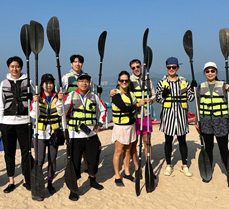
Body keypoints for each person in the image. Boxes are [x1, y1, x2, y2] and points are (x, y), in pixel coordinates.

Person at [62, 72, 107, 201]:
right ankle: (73, 188)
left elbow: (103, 109)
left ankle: (92, 179)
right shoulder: (70, 96)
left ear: (89, 83)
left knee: (93, 159)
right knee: (74, 162)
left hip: (91, 134)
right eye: (81, 81)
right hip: (75, 135)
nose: (84, 83)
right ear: (77, 83)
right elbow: (62, 111)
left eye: (86, 81)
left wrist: (100, 123)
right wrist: (60, 101)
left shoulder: (94, 96)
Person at [0, 56, 35, 194]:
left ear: (21, 67)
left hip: (24, 122)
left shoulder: (28, 81)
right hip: (7, 123)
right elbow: (1, 103)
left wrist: (33, 118)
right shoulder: (4, 83)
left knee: (26, 153)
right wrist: (0, 122)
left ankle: (26, 179)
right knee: (9, 153)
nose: (15, 69)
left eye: (17, 66)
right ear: (9, 68)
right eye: (12, 66)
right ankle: (11, 181)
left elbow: (34, 102)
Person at [156, 56, 194, 178]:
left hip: (181, 115)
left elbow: (191, 98)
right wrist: (163, 95)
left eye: (174, 67)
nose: (171, 69)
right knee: (168, 140)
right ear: (166, 68)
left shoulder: (184, 82)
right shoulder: (162, 83)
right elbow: (158, 99)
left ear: (177, 67)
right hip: (168, 115)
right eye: (169, 67)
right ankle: (168, 165)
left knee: (182, 140)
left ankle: (184, 165)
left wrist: (193, 88)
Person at [30, 73, 65, 198]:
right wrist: (36, 103)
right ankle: (38, 181)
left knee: (52, 159)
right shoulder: (38, 98)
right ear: (42, 85)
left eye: (51, 83)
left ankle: (50, 183)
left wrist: (60, 101)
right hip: (40, 134)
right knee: (39, 160)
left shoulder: (57, 97)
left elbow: (61, 113)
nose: (49, 85)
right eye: (46, 83)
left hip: (54, 133)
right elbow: (34, 115)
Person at [109, 71, 146, 187]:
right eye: (122, 80)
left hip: (131, 126)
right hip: (120, 127)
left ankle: (127, 172)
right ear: (118, 81)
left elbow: (138, 103)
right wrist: (138, 105)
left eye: (126, 80)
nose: (124, 82)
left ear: (129, 82)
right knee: (118, 151)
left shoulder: (131, 94)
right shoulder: (115, 95)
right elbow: (124, 108)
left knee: (128, 150)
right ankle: (117, 176)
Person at [197, 62, 229, 173]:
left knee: (223, 147)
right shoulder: (200, 86)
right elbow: (198, 104)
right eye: (207, 71)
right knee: (208, 147)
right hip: (205, 120)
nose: (210, 73)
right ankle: (208, 170)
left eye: (212, 71)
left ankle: (228, 171)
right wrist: (197, 120)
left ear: (216, 72)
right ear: (204, 73)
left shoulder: (223, 85)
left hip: (221, 120)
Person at [128, 58, 155, 180]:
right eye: (133, 68)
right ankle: (137, 166)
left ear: (141, 67)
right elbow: (122, 94)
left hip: (146, 115)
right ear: (131, 69)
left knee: (147, 141)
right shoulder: (128, 81)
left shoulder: (147, 80)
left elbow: (154, 94)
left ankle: (149, 165)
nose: (136, 69)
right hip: (135, 115)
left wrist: (151, 100)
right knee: (134, 142)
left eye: (138, 67)